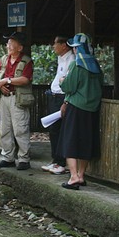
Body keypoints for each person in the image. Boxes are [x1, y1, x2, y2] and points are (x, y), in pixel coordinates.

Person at [58, 33, 103, 190]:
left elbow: (68, 87)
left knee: (69, 141)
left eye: (75, 48)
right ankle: (82, 175)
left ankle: (73, 176)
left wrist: (62, 81)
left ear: (78, 49)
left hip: (76, 108)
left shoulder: (77, 65)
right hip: (92, 110)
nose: (74, 51)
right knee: (86, 141)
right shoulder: (96, 66)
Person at [0, 31, 34, 170]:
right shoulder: (4, 59)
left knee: (20, 129)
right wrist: (0, 83)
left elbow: (25, 79)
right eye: (8, 43)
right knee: (5, 128)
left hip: (18, 99)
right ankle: (8, 157)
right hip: (4, 98)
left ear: (19, 48)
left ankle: (23, 159)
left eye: (11, 44)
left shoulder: (26, 61)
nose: (8, 46)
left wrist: (7, 80)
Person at [42, 36, 74, 175]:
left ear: (64, 45)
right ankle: (56, 160)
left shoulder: (71, 59)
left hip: (62, 97)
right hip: (54, 96)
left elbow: (67, 82)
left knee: (60, 129)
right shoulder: (61, 58)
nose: (53, 46)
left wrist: (65, 101)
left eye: (55, 43)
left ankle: (61, 163)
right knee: (53, 129)